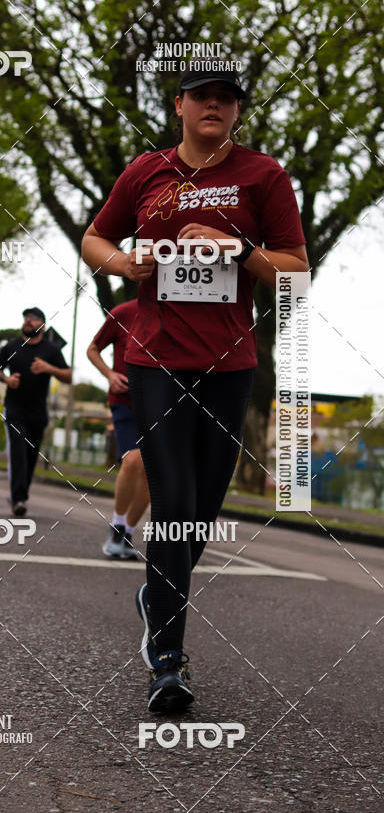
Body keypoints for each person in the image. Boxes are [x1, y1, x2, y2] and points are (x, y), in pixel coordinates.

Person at [82, 64, 309, 712]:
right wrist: (121, 262)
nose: (214, 105)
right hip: (155, 360)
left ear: (237, 110)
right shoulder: (145, 172)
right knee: (175, 502)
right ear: (178, 105)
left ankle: (156, 597)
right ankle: (168, 662)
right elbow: (95, 237)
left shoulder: (263, 175)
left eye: (226, 98)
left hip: (230, 365)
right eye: (202, 96)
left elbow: (295, 272)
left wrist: (236, 247)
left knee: (200, 512)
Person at [0, 307, 72, 516]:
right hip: (14, 408)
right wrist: (7, 379)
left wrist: (48, 368)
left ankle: (21, 495)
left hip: (38, 411)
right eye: (26, 318)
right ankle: (18, 498)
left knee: (30, 455)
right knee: (18, 449)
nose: (29, 321)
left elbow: (68, 376)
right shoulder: (11, 346)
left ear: (43, 326)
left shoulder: (51, 350)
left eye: (34, 318)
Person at [87, 299, 149, 559]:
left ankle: (127, 534)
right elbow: (93, 349)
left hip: (160, 404)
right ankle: (116, 527)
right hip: (124, 400)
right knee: (133, 459)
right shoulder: (123, 312)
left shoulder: (177, 311)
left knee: (152, 472)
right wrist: (109, 375)